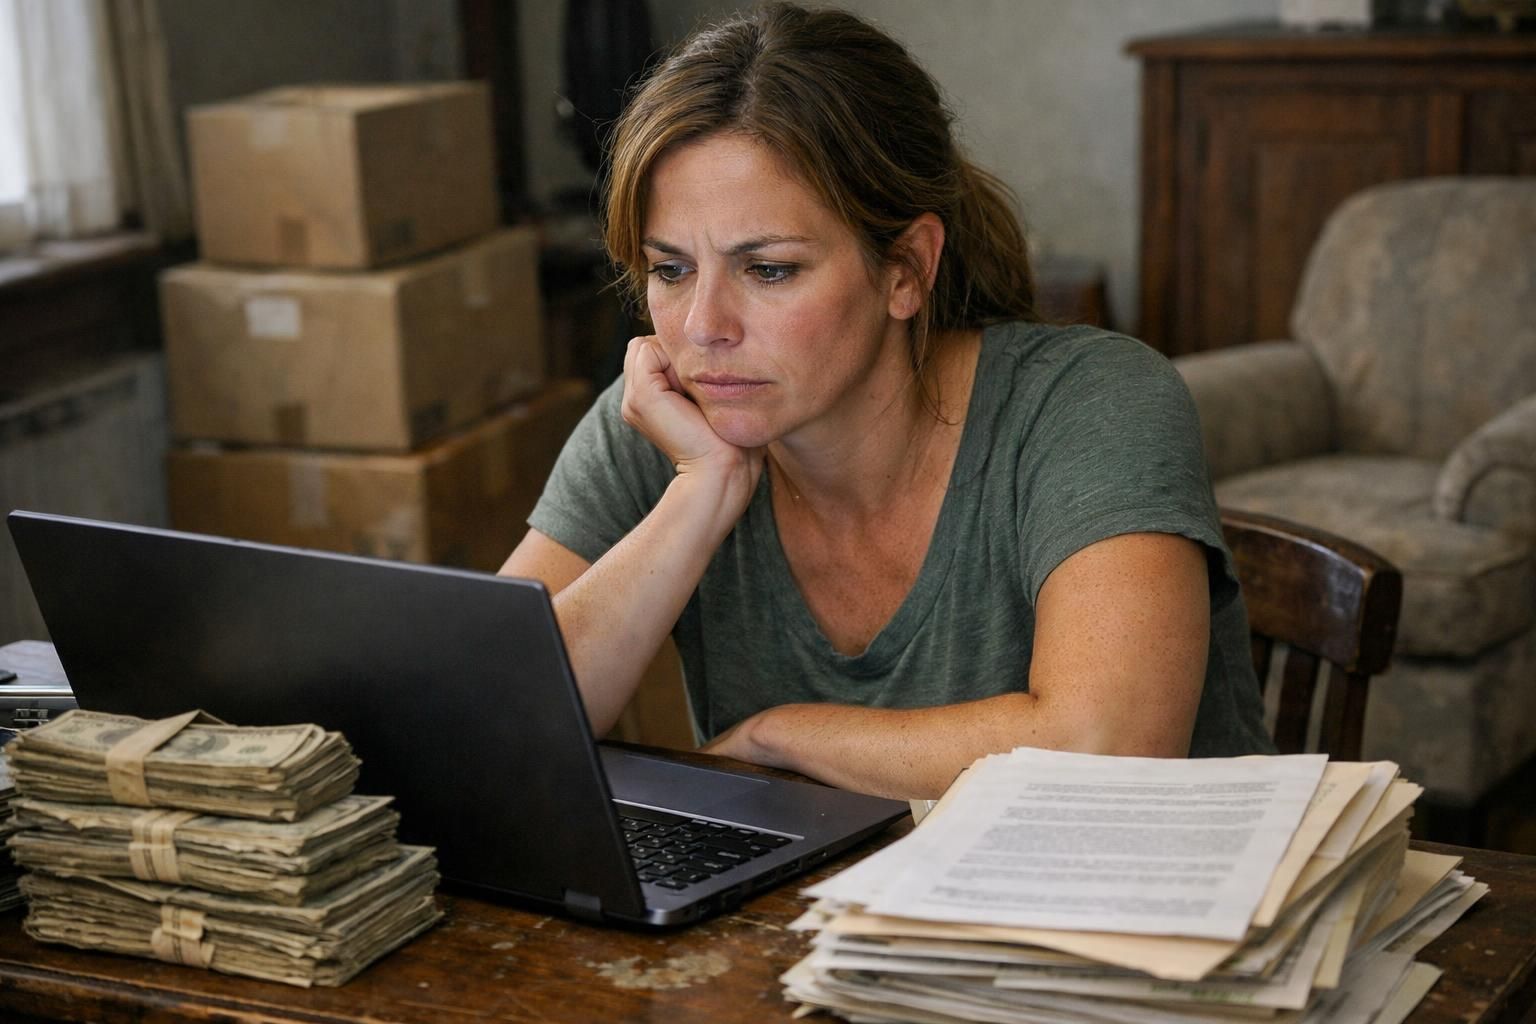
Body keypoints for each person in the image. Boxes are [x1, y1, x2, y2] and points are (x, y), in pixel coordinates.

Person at [501, 1, 1273, 801]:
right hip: (810, 919)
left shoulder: (1091, 402)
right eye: (670, 270)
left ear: (905, 269)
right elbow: (493, 726)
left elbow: (1107, 747)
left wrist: (779, 735)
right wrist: (701, 492)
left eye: (768, 270)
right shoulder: (664, 420)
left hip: (1124, 910)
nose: (703, 328)